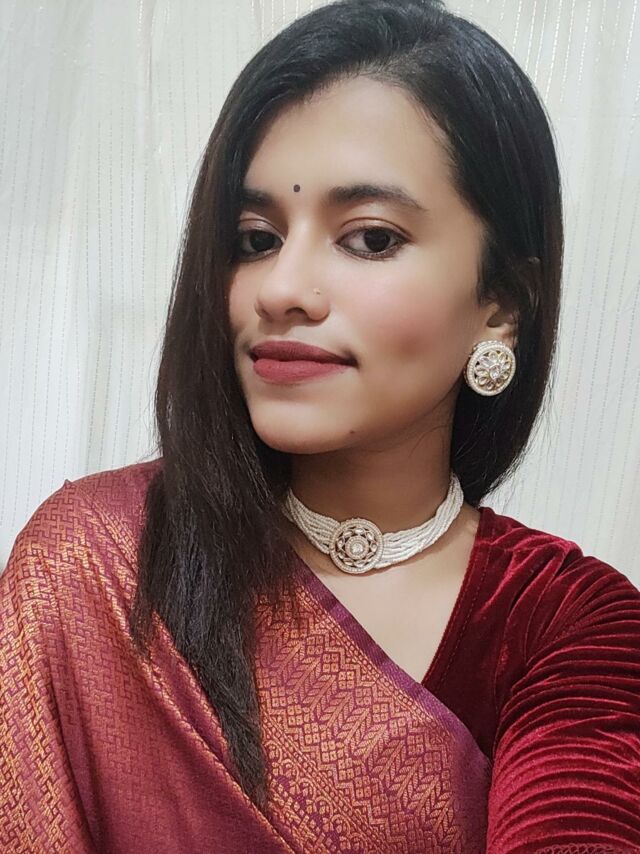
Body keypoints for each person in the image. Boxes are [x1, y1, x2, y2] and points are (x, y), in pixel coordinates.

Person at [1, 0, 639, 850]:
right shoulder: (95, 562)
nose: (280, 289)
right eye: (256, 239)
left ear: (501, 304)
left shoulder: (563, 621)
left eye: (370, 239)